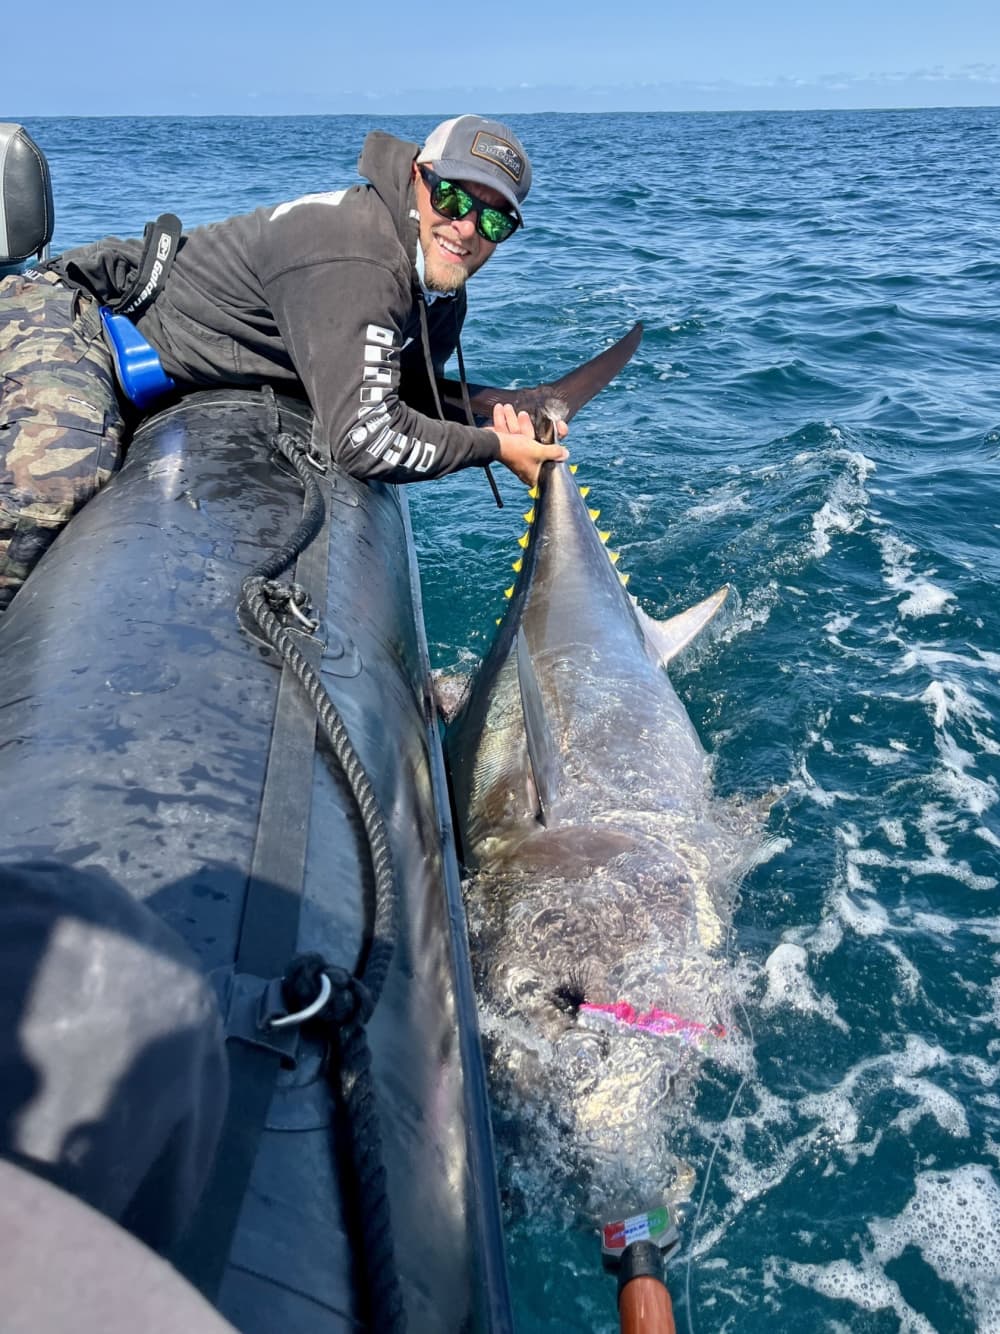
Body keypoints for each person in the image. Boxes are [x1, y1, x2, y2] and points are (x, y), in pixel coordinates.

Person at [0, 114, 568, 612]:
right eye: (453, 198)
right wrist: (495, 449)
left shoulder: (440, 289)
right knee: (49, 487)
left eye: (494, 221)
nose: (466, 228)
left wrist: (503, 411)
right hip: (85, 312)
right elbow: (365, 440)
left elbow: (408, 393)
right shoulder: (360, 259)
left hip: (160, 348)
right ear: (417, 177)